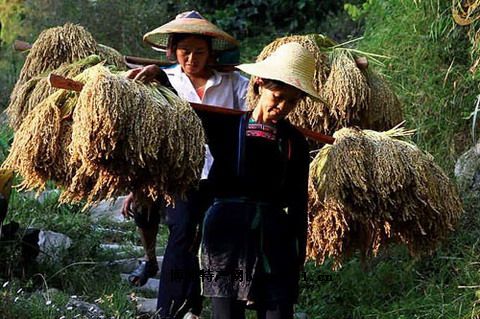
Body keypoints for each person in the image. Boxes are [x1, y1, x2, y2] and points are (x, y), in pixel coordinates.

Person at [122, 11, 249, 319]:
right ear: (173, 51)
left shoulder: (234, 82)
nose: (191, 58)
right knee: (181, 233)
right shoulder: (163, 81)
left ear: (211, 52)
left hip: (225, 174)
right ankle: (171, 310)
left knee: (212, 241)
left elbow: (251, 117)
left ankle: (210, 306)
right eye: (184, 51)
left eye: (199, 52)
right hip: (182, 175)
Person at [199, 42, 320, 319]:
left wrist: (298, 253)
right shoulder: (225, 125)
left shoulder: (294, 141)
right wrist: (158, 80)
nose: (282, 107)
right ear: (260, 84)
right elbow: (179, 115)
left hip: (274, 235)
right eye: (277, 96)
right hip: (225, 235)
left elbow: (299, 202)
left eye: (291, 101)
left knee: (279, 310)